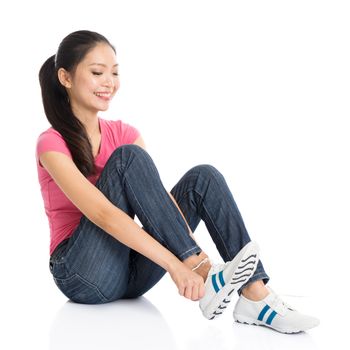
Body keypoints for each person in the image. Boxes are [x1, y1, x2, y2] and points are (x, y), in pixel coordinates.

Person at [36, 30, 319, 334]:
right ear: (65, 77)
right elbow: (103, 215)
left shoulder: (124, 132)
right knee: (128, 158)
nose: (109, 82)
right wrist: (180, 267)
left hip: (130, 274)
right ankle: (208, 272)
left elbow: (161, 206)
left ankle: (256, 297)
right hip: (81, 274)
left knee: (203, 178)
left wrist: (194, 259)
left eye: (115, 73)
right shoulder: (51, 143)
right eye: (97, 72)